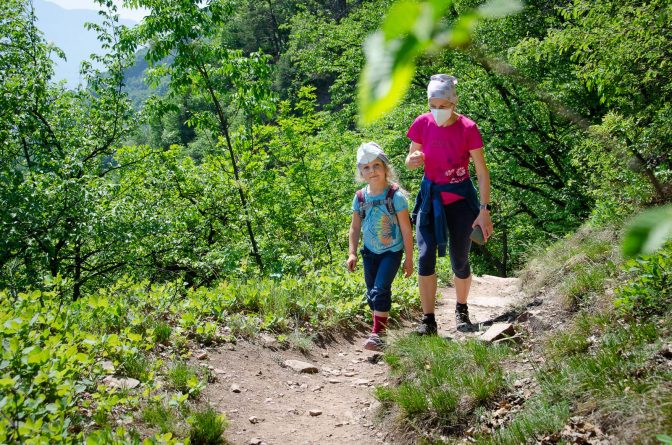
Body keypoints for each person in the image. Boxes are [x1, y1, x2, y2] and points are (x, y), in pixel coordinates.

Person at [405, 74, 494, 334]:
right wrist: (412, 161)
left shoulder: (468, 128)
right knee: (425, 256)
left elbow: (481, 170)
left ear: (454, 103)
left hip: (460, 201)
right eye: (433, 105)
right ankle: (428, 319)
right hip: (430, 199)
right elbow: (410, 157)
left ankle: (461, 309)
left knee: (460, 259)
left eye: (443, 106)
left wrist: (484, 211)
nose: (438, 111)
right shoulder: (422, 123)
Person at [347, 142, 414, 351]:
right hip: (369, 253)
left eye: (376, 165)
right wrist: (352, 253)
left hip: (391, 252)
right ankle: (381, 329)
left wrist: (409, 259)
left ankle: (377, 334)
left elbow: (406, 230)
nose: (372, 171)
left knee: (380, 289)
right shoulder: (360, 197)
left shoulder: (396, 197)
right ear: (361, 172)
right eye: (366, 167)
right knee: (371, 295)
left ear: (385, 167)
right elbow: (354, 227)